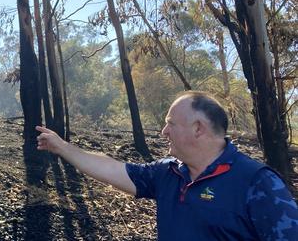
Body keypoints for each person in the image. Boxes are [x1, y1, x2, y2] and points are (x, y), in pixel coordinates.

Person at [36, 91, 298, 240]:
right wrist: (63, 147)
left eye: (171, 123)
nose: (163, 131)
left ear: (198, 128)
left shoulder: (257, 182)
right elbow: (113, 169)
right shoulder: (168, 172)